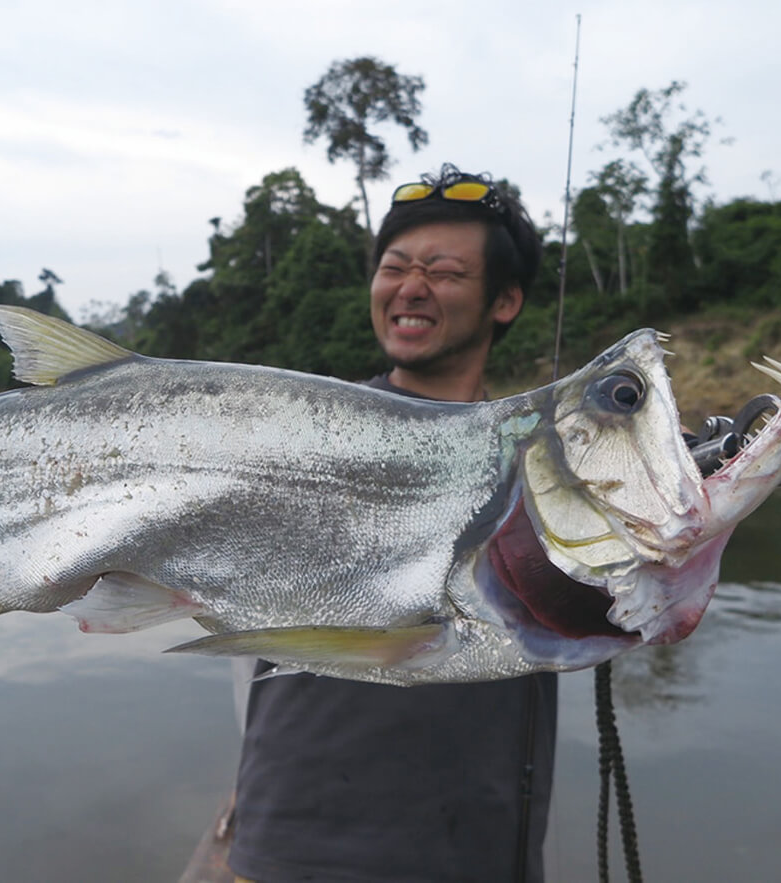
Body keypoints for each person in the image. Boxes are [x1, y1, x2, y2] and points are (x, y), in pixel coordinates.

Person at [226, 163, 554, 883]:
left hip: (481, 846)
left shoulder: (542, 460)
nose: (410, 287)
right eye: (395, 266)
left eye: (442, 271)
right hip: (299, 844)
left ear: (505, 300)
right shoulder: (306, 436)